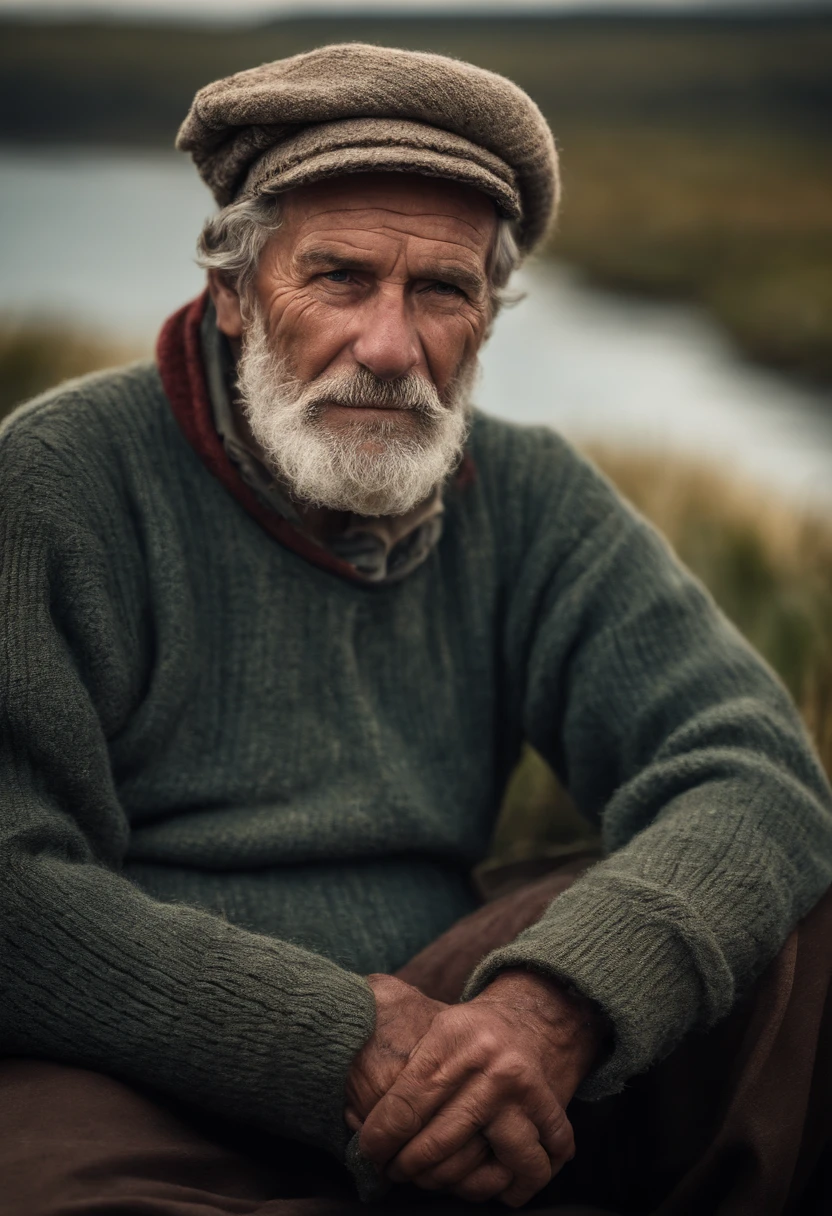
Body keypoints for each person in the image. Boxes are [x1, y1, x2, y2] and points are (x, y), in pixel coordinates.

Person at [1, 43, 830, 1216]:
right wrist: (334, 1040)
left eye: (441, 291)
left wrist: (550, 1008)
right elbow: (14, 891)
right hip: (138, 1068)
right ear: (234, 292)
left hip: (464, 1037)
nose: (390, 348)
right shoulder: (56, 481)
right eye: (339, 277)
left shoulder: (533, 496)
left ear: (487, 318)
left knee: (789, 924)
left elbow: (755, 773)